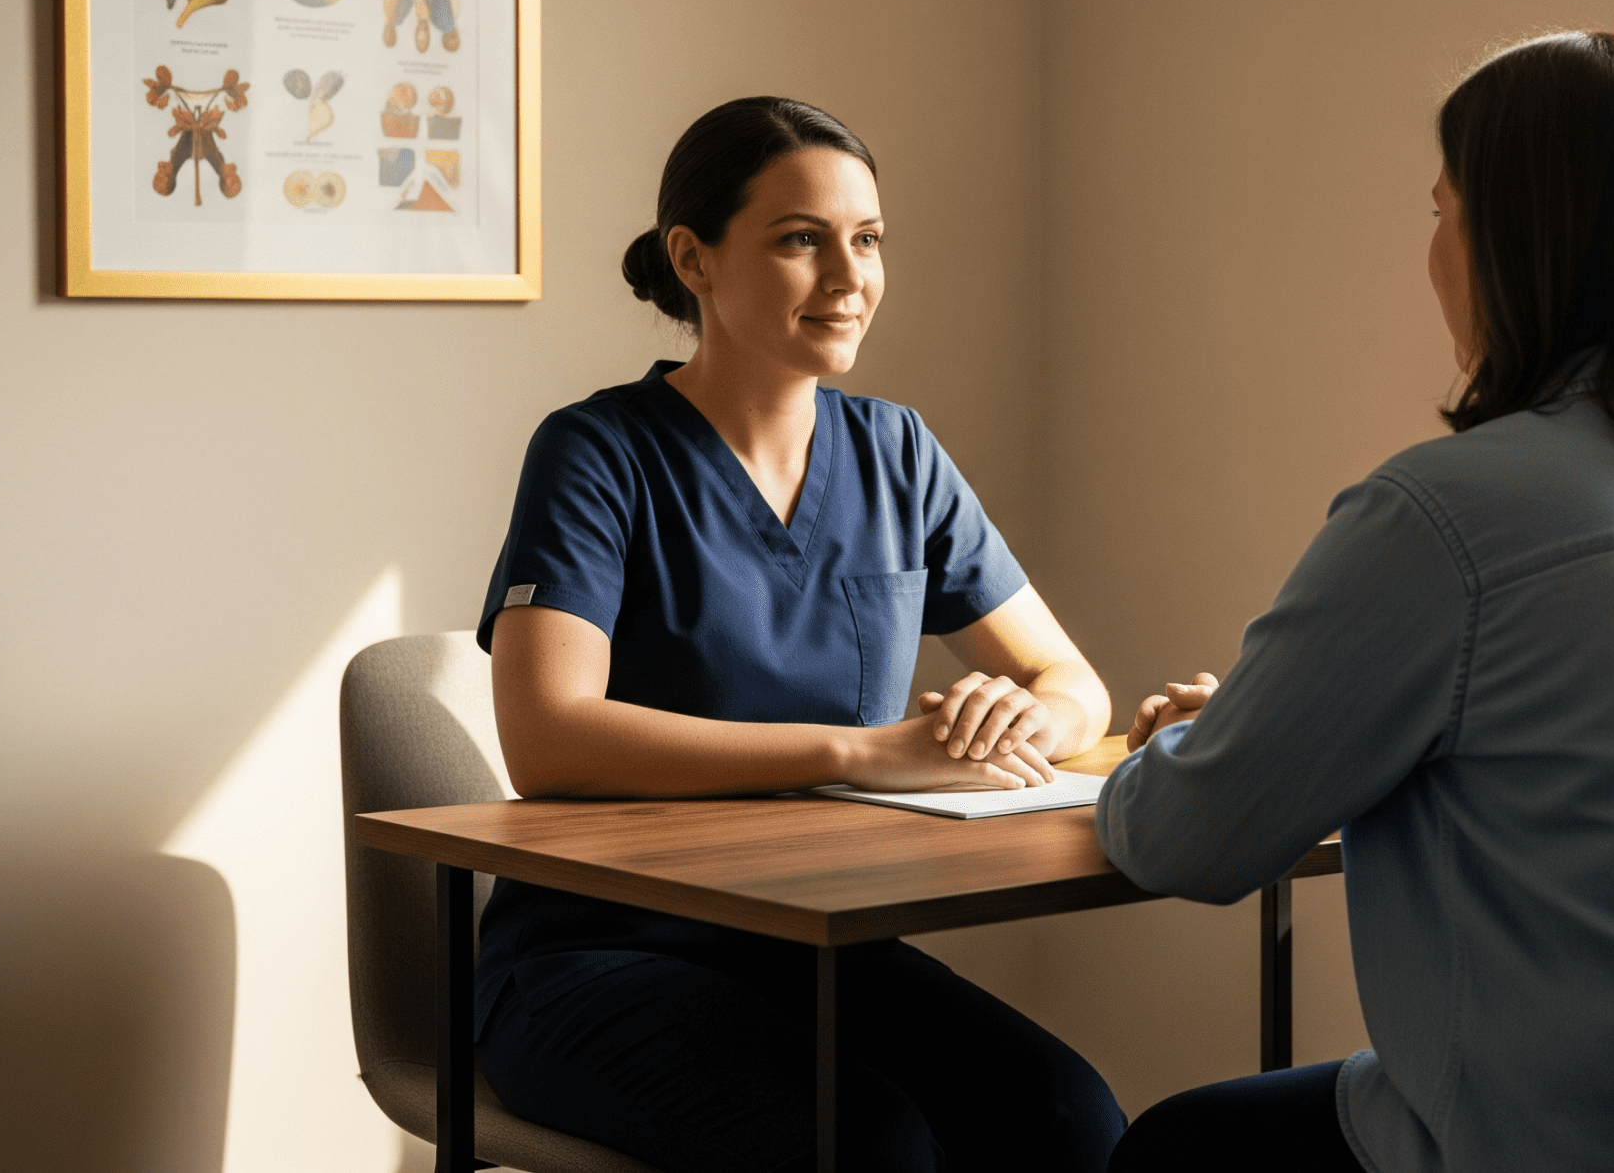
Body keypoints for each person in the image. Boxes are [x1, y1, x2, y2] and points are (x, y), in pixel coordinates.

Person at [1096, 32, 1614, 1173]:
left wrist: (1181, 741)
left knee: (1175, 1149)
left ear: (1518, 241)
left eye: (1443, 211)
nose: (1432, 252)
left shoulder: (1445, 516)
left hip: (1564, 1138)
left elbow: (1186, 839)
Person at [474, 97, 1127, 1173]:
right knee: (871, 1150)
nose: (848, 277)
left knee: (1069, 1118)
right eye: (800, 240)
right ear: (694, 257)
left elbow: (1071, 682)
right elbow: (548, 736)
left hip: (824, 950)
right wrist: (865, 751)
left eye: (866, 240)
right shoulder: (598, 454)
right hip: (596, 957)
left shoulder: (897, 451)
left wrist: (1020, 712)